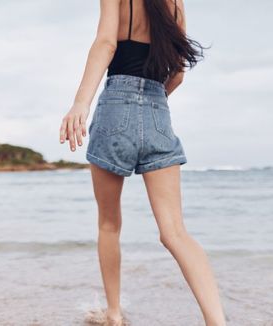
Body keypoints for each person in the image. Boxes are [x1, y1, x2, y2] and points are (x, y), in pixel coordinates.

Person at [59, 0, 226, 325]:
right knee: (175, 232)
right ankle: (217, 321)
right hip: (157, 110)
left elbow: (107, 42)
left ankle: (115, 314)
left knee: (109, 224)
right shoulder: (176, 6)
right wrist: (150, 105)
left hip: (115, 106)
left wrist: (80, 103)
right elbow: (177, 74)